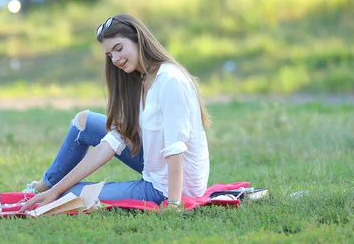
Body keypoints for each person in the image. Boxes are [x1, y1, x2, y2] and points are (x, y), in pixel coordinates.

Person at [20, 14, 211, 211]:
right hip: (156, 166)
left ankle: (47, 190)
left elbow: (175, 148)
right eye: (110, 55)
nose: (116, 59)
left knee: (66, 195)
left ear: (138, 39)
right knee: (84, 123)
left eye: (119, 48)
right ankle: (43, 187)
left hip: (169, 186)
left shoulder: (169, 80)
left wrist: (173, 203)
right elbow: (110, 145)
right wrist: (54, 189)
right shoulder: (140, 79)